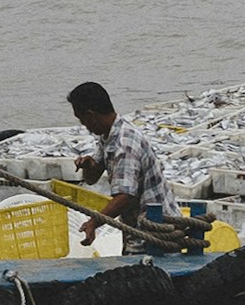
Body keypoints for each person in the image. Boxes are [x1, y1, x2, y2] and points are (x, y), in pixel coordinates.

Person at [66, 81, 178, 247]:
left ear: (91, 116)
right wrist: (88, 166)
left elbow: (125, 196)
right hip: (135, 228)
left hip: (156, 231)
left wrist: (94, 223)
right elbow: (92, 178)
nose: (84, 126)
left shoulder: (125, 143)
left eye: (82, 120)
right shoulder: (108, 135)